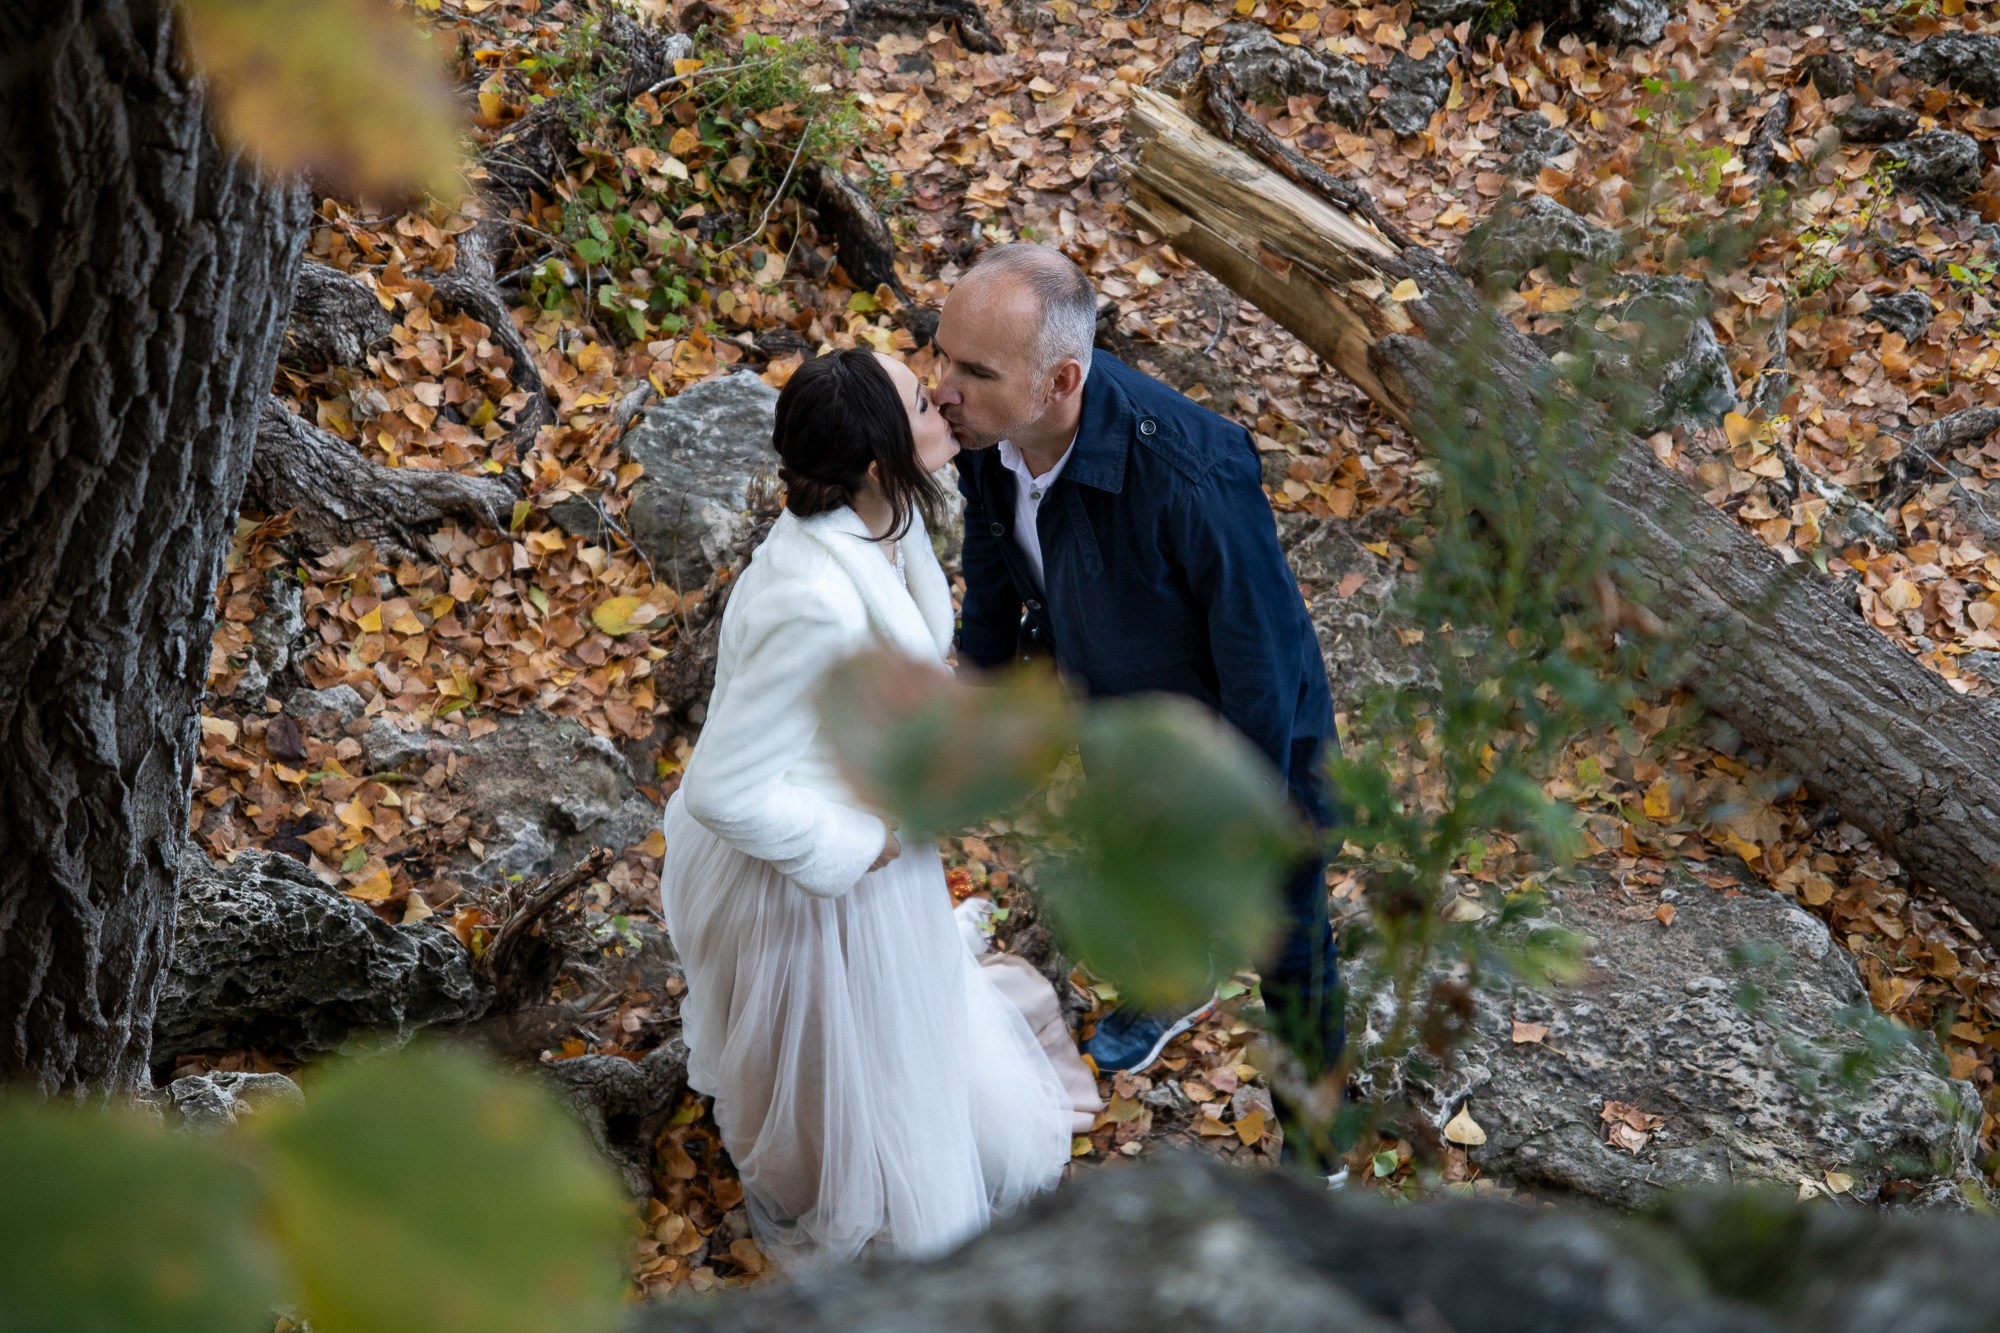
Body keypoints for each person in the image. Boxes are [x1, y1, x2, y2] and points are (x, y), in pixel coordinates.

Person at [657, 348, 1101, 1272]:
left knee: (905, 1040)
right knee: (844, 1067)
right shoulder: (810, 599)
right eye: (922, 403)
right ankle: (849, 1197)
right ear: (873, 461)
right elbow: (725, 786)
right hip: (810, 869)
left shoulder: (885, 519)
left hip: (879, 828)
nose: (944, 400)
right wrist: (859, 844)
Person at [935, 243, 1345, 1078]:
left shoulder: (1193, 474)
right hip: (1117, 712)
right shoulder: (984, 434)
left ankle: (1320, 1131)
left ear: (1061, 381)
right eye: (941, 355)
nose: (943, 388)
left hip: (1247, 737)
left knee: (1288, 938)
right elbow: (992, 569)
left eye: (974, 371)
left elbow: (1261, 663)